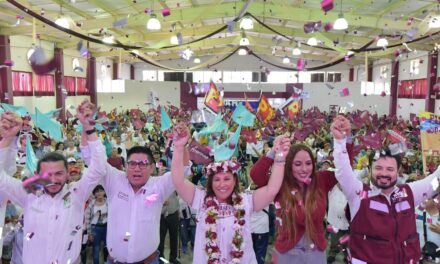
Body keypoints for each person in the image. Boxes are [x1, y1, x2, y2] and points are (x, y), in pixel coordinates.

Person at [0, 100, 107, 263]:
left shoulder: (76, 193)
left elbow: (99, 167)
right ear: (37, 175)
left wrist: (89, 128)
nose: (53, 180)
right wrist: (8, 139)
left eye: (59, 174)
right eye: (47, 175)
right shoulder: (28, 194)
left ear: (67, 174)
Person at [170, 123, 288, 263]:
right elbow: (178, 181)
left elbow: (272, 190)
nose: (222, 184)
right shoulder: (201, 199)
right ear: (210, 182)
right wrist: (178, 148)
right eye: (217, 179)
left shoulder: (246, 201)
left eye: (227, 179)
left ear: (235, 181)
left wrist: (279, 157)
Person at [330, 115, 440, 264]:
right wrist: (340, 141)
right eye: (378, 168)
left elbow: (436, 179)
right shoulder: (359, 194)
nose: (384, 173)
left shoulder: (409, 193)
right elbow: (343, 172)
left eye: (390, 169)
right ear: (370, 170)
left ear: (398, 170)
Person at [80, 132, 191, 264]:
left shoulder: (159, 186)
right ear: (126, 166)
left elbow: (183, 169)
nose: (137, 168)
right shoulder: (114, 181)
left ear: (151, 168)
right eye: (132, 163)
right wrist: (87, 128)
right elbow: (91, 159)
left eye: (143, 164)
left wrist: (182, 146)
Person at [250, 132, 353, 263]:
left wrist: (346, 138)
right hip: (286, 253)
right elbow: (256, 175)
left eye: (308, 163)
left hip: (316, 252)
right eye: (297, 164)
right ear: (289, 165)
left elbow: (345, 169)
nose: (304, 169)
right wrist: (273, 152)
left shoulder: (321, 179)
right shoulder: (280, 182)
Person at [86, 185, 108, 264]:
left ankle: (107, 262)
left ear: (104, 192)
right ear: (94, 193)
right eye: (97, 191)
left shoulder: (108, 202)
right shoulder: (91, 204)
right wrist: (89, 233)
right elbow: (87, 219)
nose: (99, 193)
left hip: (106, 228)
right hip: (95, 229)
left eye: (101, 191)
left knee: (108, 248)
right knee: (96, 249)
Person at [158, 192, 180, 263]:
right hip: (161, 216)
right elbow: (150, 198)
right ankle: (161, 259)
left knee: (174, 237)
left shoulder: (174, 183)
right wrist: (160, 201)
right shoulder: (156, 183)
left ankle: (173, 258)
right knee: (160, 239)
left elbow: (180, 194)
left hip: (173, 214)